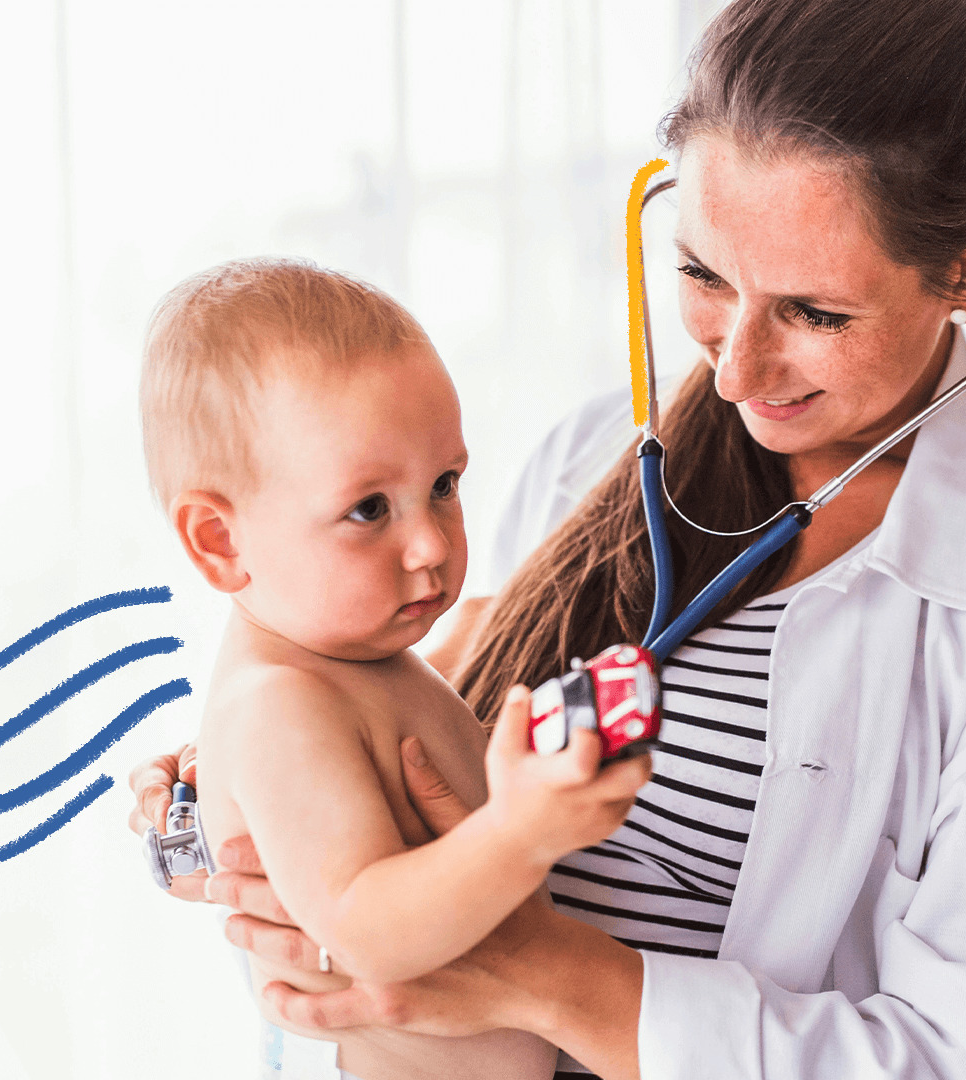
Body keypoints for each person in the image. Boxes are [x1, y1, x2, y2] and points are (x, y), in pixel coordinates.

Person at [130, 1, 966, 1077]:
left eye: (816, 313)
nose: (735, 374)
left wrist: (541, 971)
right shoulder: (587, 454)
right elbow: (392, 720)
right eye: (705, 277)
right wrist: (222, 804)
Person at [137, 257, 651, 1079]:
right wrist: (519, 834)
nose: (433, 545)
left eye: (444, 485)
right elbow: (366, 931)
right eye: (369, 509)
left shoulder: (362, 661)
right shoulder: (281, 702)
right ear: (220, 542)